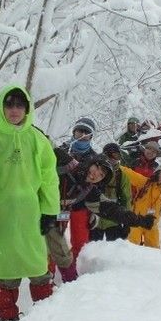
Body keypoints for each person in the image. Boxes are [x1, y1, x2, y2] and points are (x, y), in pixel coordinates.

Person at [0, 85, 60, 321]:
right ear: (1, 107)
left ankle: (45, 315)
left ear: (27, 108)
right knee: (7, 272)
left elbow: (49, 177)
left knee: (39, 268)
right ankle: (8, 318)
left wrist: (50, 210)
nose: (15, 110)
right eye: (9, 104)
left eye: (20, 105)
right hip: (0, 218)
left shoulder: (37, 139)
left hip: (31, 217)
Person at [54, 150, 154, 270]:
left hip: (55, 215)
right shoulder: (65, 161)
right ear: (91, 162)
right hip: (32, 206)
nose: (96, 174)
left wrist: (138, 220)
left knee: (53, 247)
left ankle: (63, 281)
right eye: (97, 167)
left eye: (101, 175)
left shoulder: (88, 191)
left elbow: (112, 209)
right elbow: (43, 143)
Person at [51, 117, 98, 282]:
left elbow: (97, 185)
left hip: (80, 205)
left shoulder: (94, 158)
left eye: (87, 133)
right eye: (80, 131)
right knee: (54, 240)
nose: (83, 135)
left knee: (80, 241)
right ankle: (49, 274)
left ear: (91, 136)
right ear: (74, 131)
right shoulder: (62, 150)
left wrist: (95, 211)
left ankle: (75, 272)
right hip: (59, 204)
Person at [90, 143, 133, 241]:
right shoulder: (93, 171)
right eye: (109, 155)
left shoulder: (122, 176)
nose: (112, 158)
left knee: (114, 251)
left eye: (116, 155)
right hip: (93, 219)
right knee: (91, 250)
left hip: (114, 220)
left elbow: (126, 199)